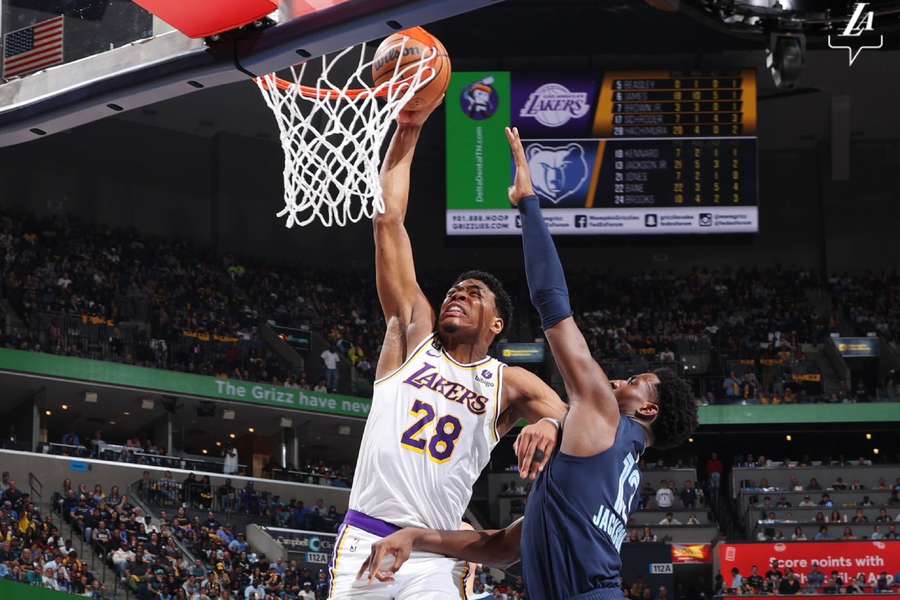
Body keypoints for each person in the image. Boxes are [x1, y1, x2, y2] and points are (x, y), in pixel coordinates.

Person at [356, 126, 699, 600]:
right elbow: (501, 548)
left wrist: (528, 204)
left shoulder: (592, 410)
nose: (620, 378)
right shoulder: (614, 459)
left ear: (648, 410)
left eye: (637, 381)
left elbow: (551, 301)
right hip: (384, 536)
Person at [327, 103, 567, 600]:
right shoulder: (413, 335)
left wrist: (549, 423)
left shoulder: (509, 382)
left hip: (436, 551)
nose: (458, 293)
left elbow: (586, 428)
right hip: (365, 536)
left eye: (474, 293)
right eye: (456, 289)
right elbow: (388, 220)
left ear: (497, 324)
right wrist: (408, 131)